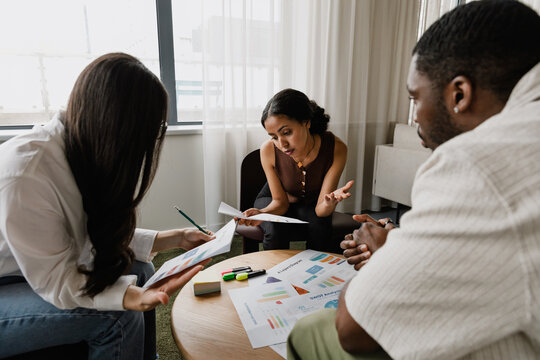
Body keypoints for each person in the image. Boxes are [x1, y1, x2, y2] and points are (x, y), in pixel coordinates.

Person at [287, 1, 540, 359]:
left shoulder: (475, 163)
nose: (414, 116)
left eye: (415, 98)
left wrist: (388, 258)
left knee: (311, 330)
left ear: (459, 95)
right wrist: (406, 244)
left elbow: (352, 329)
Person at [0, 53, 214, 360]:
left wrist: (176, 237)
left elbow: (81, 234)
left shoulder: (78, 149)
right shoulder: (26, 175)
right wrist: (127, 298)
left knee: (142, 270)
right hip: (9, 284)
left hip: (26, 270)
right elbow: (57, 281)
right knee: (119, 315)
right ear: (119, 130)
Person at [238, 88, 354, 252]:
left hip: (311, 202)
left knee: (321, 228)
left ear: (306, 122)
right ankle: (275, 274)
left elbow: (321, 210)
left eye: (287, 132)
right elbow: (280, 202)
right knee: (275, 228)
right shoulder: (268, 150)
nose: (282, 144)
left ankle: (318, 275)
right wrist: (262, 212)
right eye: (274, 137)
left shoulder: (336, 148)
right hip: (274, 198)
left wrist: (329, 203)